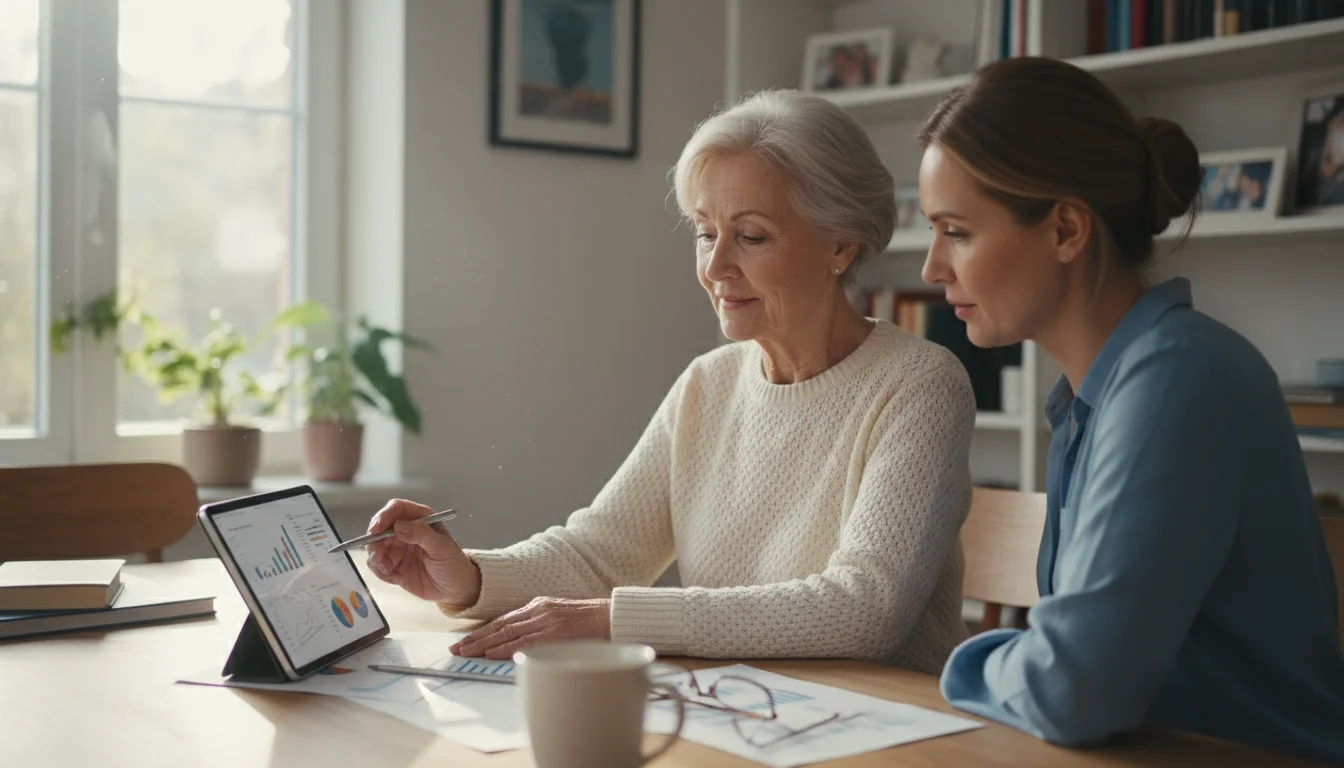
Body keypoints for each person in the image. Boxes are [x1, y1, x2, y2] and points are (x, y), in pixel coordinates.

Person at [363, 89, 977, 674]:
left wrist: (615, 621)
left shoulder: (919, 386)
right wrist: (467, 576)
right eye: (707, 233)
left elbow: (865, 609)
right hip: (740, 714)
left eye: (752, 237)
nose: (715, 267)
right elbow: (598, 555)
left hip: (883, 732)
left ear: (841, 245)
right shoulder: (708, 385)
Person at [919, 56, 1344, 764]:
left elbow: (1070, 689)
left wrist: (966, 660)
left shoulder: (1179, 380)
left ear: (1065, 231)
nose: (933, 267)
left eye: (956, 231)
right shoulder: (1101, 394)